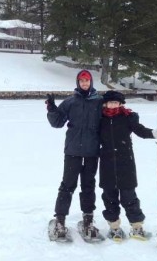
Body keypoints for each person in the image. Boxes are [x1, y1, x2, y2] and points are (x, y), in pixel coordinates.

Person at [98, 90, 157, 241]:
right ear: (105, 103)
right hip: (106, 163)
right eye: (111, 102)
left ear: (120, 103)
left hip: (125, 163)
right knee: (109, 197)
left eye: (116, 102)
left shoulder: (127, 117)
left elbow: (140, 130)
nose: (113, 104)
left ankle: (136, 227)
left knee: (129, 197)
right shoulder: (99, 118)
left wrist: (154, 133)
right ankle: (114, 228)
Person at [45, 69, 103, 240]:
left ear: (91, 82)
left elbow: (111, 119)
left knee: (88, 185)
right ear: (78, 83)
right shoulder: (70, 101)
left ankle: (88, 220)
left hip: (92, 152)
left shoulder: (99, 102)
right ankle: (60, 220)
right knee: (68, 185)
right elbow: (57, 122)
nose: (84, 83)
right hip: (73, 151)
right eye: (81, 81)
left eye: (87, 80)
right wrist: (52, 108)